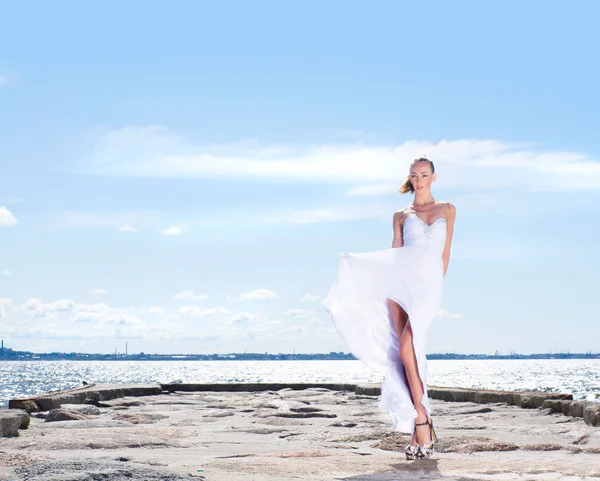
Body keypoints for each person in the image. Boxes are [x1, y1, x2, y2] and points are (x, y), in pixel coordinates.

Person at [322, 157, 456, 460]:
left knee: (410, 349)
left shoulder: (448, 210)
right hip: (399, 286)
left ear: (434, 177)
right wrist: (385, 289)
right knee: (403, 356)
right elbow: (395, 255)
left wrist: (436, 287)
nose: (419, 180)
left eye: (424, 175)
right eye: (414, 175)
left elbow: (445, 252)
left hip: (428, 288)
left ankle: (421, 419)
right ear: (409, 179)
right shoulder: (400, 215)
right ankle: (420, 425)